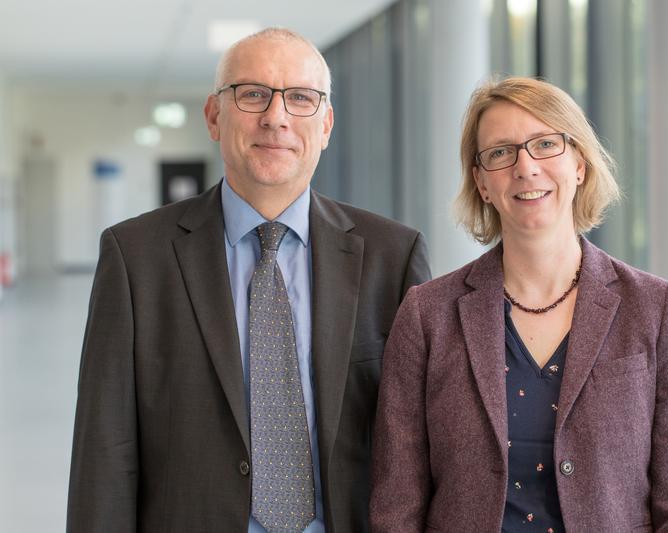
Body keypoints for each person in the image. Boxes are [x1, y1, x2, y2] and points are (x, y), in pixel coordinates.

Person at [67, 28, 430, 533]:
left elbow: (420, 445)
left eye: (301, 98)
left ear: (326, 125)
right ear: (215, 116)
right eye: (253, 94)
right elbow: (104, 449)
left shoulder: (393, 256)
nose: (276, 117)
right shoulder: (135, 257)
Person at [369, 76, 668, 532]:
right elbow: (397, 500)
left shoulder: (657, 310)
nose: (526, 167)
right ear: (482, 183)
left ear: (579, 164)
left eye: (546, 144)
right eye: (500, 152)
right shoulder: (427, 315)